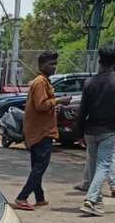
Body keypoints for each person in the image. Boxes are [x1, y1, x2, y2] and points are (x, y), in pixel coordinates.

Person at [76, 47, 115, 216]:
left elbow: (82, 111)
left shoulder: (89, 82)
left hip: (90, 130)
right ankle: (89, 200)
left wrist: (79, 133)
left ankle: (97, 204)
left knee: (96, 167)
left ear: (99, 61)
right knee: (103, 166)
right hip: (109, 130)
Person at [12, 51, 71, 212]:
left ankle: (39, 197)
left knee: (37, 166)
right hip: (41, 131)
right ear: (41, 66)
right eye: (50, 64)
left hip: (38, 130)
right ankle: (22, 197)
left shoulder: (43, 81)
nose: (54, 67)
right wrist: (59, 100)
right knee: (40, 167)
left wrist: (55, 105)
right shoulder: (40, 82)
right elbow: (41, 105)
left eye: (55, 64)